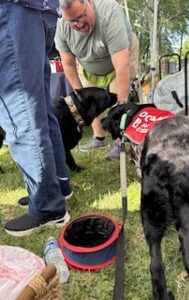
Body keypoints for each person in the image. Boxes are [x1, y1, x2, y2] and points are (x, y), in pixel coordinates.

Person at [0, 0, 72, 236]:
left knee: (19, 107)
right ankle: (57, 186)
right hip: (39, 10)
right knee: (38, 106)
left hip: (13, 9)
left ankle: (47, 205)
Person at [55, 0, 139, 160]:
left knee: (116, 99)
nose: (78, 24)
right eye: (72, 21)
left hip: (119, 57)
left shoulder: (109, 13)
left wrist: (121, 104)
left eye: (81, 17)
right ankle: (99, 138)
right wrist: (80, 96)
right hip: (88, 63)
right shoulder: (62, 26)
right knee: (89, 100)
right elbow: (68, 64)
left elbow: (121, 65)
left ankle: (120, 140)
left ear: (89, 3)